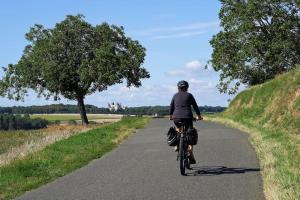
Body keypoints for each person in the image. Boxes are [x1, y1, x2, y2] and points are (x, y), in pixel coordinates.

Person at [169, 80, 203, 164]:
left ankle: (177, 145)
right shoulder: (189, 95)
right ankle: (190, 151)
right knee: (190, 133)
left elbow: (171, 106)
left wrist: (170, 116)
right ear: (187, 87)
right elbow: (195, 106)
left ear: (178, 88)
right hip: (188, 117)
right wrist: (199, 116)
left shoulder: (175, 95)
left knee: (178, 129)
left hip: (176, 117)